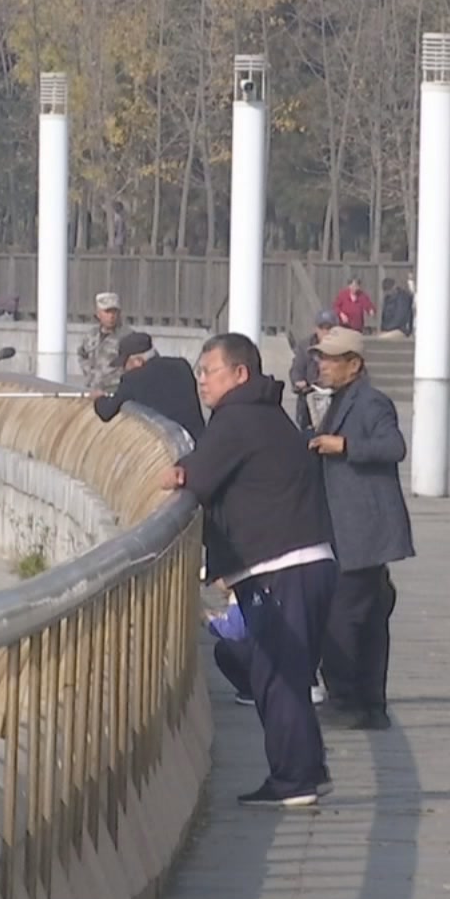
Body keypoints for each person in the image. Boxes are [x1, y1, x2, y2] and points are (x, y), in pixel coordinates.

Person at [167, 333, 337, 807]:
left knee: (276, 676)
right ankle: (307, 771)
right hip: (307, 562)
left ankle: (295, 780)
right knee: (285, 674)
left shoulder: (236, 419)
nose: (202, 381)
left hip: (282, 566)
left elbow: (197, 476)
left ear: (240, 373)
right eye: (200, 372)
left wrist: (172, 475)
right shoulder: (265, 414)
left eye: (209, 371)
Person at [306, 328, 414, 731]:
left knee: (342, 617)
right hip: (348, 529)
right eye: (321, 358)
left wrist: (345, 446)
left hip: (363, 532)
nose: (323, 365)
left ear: (354, 365)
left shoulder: (371, 402)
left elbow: (394, 447)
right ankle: (370, 704)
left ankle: (347, 701)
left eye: (331, 359)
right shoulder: (337, 400)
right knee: (367, 618)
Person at [92, 331, 203, 441]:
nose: (124, 369)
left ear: (138, 361)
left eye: (125, 363)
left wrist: (99, 398)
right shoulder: (182, 366)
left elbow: (106, 412)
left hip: (166, 446)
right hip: (198, 440)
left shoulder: (132, 379)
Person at [290, 310, 337, 432]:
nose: (325, 332)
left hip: (333, 396)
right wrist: (298, 380)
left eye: (329, 328)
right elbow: (297, 368)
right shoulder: (305, 346)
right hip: (310, 396)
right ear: (316, 329)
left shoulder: (341, 347)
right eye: (322, 328)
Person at [78, 292, 132, 390]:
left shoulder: (128, 336)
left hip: (116, 390)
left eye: (114, 312)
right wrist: (90, 373)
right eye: (107, 312)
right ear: (98, 314)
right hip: (93, 388)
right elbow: (82, 354)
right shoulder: (91, 335)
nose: (111, 316)